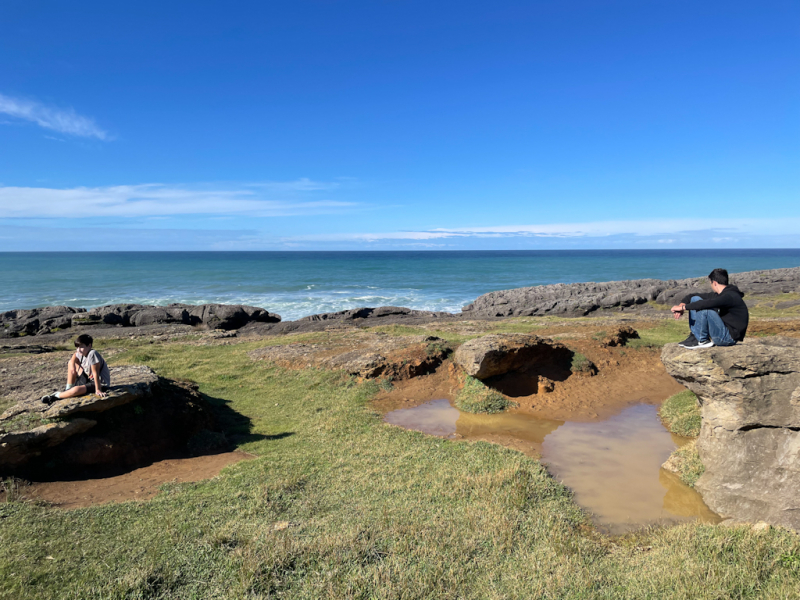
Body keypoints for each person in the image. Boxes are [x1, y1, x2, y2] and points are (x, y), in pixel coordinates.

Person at [671, 268, 749, 349]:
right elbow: (692, 296)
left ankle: (702, 340)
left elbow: (706, 304)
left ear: (714, 283)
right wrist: (682, 304)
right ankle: (695, 336)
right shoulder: (721, 295)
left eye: (711, 283)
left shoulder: (730, 296)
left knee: (705, 310)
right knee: (695, 299)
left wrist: (683, 308)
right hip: (723, 331)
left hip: (728, 338)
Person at [41, 334, 110, 404]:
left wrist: (98, 390)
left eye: (81, 347)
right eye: (77, 347)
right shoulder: (81, 353)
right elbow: (73, 358)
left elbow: (96, 373)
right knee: (71, 363)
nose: (78, 350)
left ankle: (56, 396)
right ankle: (68, 389)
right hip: (88, 379)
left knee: (76, 390)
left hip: (98, 383)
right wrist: (72, 367)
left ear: (89, 345)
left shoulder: (92, 353)